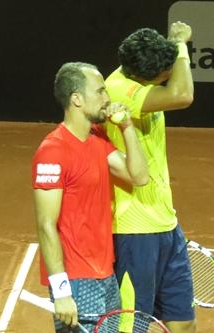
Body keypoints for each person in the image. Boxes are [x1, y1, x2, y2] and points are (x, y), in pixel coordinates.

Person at [31, 62, 149, 333]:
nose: (107, 99)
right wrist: (61, 291)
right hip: (76, 278)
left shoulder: (97, 142)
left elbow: (139, 176)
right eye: (100, 92)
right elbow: (46, 225)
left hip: (105, 273)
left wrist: (127, 127)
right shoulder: (52, 152)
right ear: (77, 99)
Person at [103, 22, 196, 333]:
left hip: (166, 223)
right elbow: (183, 95)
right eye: (163, 76)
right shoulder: (118, 91)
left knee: (183, 323)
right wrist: (181, 43)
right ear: (141, 79)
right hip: (134, 230)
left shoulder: (140, 79)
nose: (169, 77)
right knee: (132, 326)